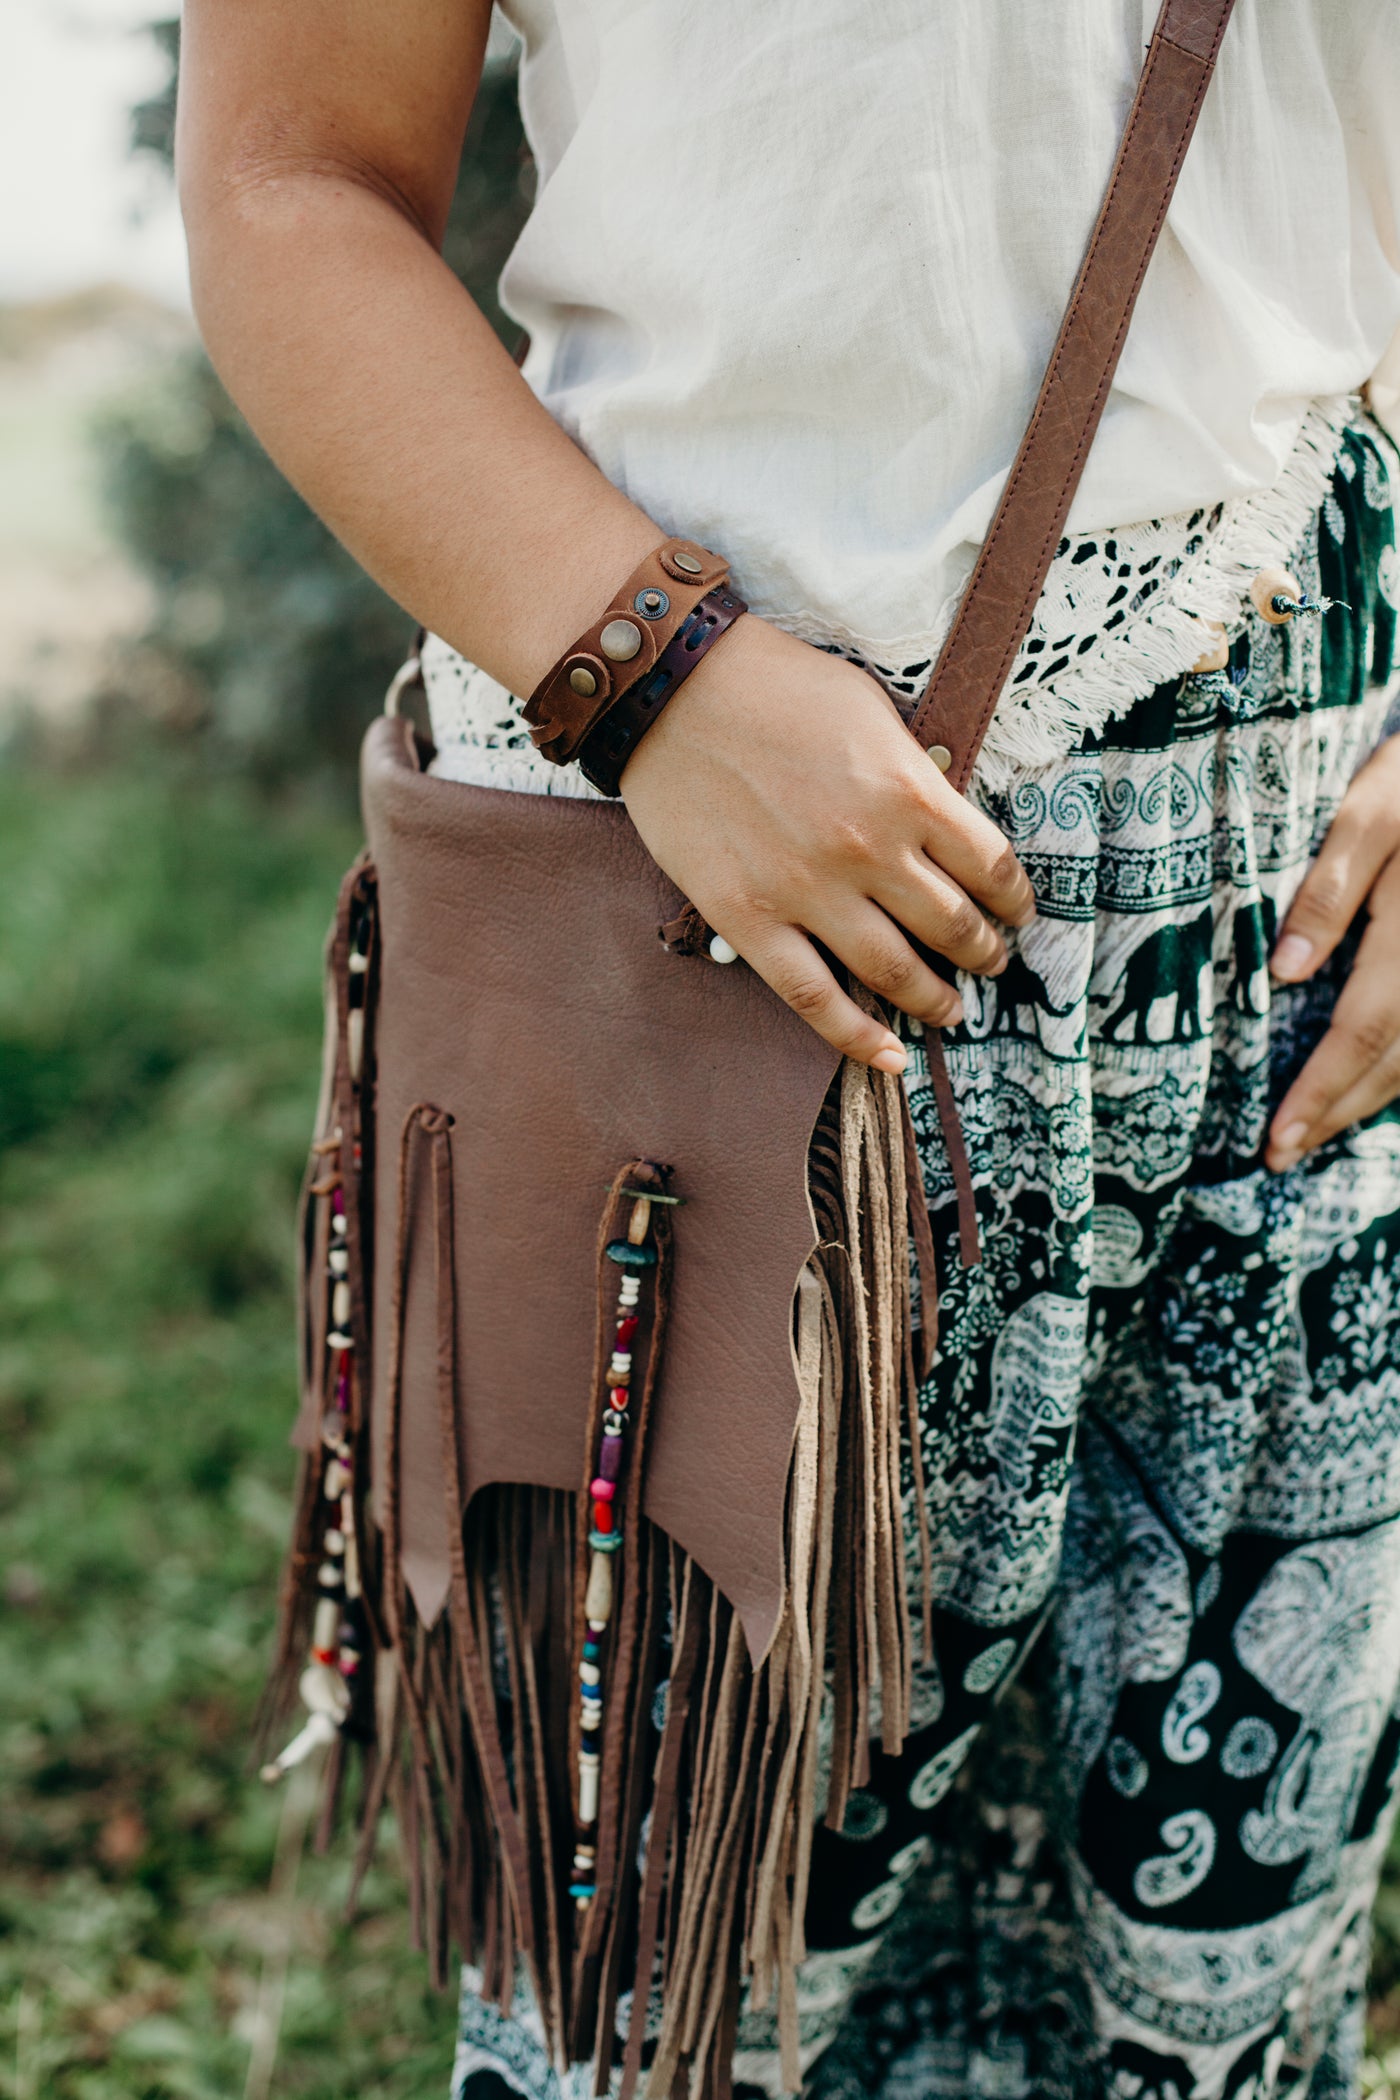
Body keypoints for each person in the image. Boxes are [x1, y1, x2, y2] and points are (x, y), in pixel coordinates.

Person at [177, 2, 1400, 2093]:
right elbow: (292, 179)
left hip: (1321, 931)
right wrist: (645, 671)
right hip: (708, 896)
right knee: (677, 2012)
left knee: (1220, 1988)